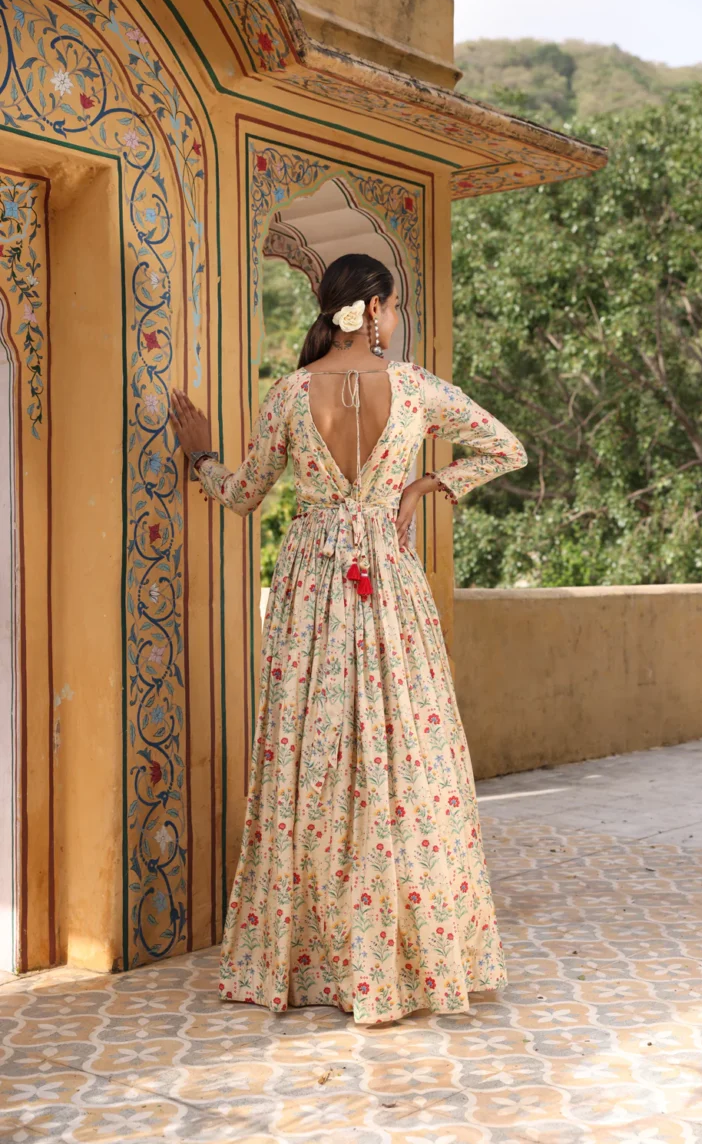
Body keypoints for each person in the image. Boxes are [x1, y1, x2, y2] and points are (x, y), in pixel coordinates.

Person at [169, 252, 528, 1025]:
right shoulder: (418, 388)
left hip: (310, 589)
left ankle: (310, 961)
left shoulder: (290, 394)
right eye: (393, 306)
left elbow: (242, 494)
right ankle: (401, 956)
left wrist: (200, 456)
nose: (395, 318)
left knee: (310, 761)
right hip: (388, 583)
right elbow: (508, 448)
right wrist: (426, 485)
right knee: (406, 760)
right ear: (376, 310)